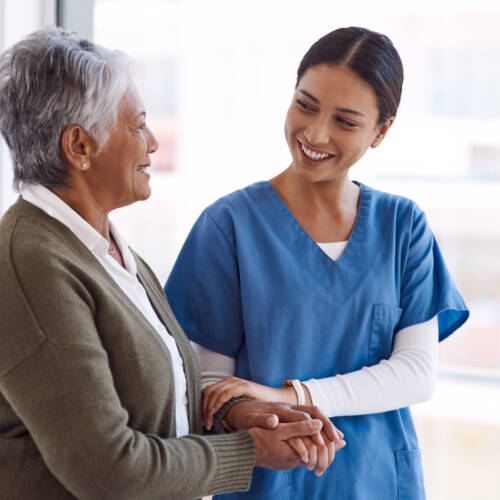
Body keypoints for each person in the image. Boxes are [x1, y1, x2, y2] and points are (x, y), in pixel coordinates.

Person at [0, 28, 343, 500]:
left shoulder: (106, 249)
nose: (153, 143)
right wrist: (250, 451)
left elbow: (149, 401)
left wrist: (237, 414)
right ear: (79, 147)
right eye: (137, 125)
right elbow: (109, 472)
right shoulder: (32, 265)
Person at [165, 27, 470, 500]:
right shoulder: (228, 226)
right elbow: (213, 387)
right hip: (268, 482)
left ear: (381, 131)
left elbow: (415, 373)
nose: (315, 133)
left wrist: (292, 396)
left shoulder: (402, 227)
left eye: (346, 121)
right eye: (306, 105)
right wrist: (261, 411)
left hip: (379, 481)